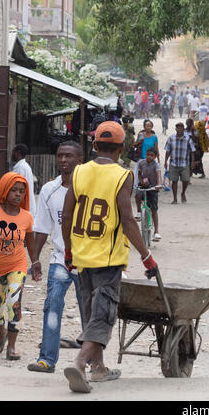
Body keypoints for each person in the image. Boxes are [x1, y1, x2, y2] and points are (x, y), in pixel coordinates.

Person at [61, 121, 160, 393]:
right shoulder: (122, 176)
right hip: (107, 258)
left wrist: (69, 250)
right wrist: (146, 255)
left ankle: (99, 368)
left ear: (94, 146)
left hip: (81, 256)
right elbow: (128, 220)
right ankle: (80, 363)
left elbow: (67, 214)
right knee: (103, 315)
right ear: (122, 148)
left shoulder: (80, 172)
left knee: (91, 312)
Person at [27, 141, 84, 374]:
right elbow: (42, 228)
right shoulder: (50, 190)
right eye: (60, 155)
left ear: (79, 160)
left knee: (88, 311)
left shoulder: (89, 189)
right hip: (60, 259)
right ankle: (47, 360)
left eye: (68, 156)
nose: (63, 160)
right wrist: (35, 259)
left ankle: (91, 360)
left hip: (87, 262)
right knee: (52, 307)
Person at [0, 172, 38, 361]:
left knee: (14, 302)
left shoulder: (26, 217)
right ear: (4, 190)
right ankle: (1, 333)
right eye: (14, 190)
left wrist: (35, 263)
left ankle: (11, 346)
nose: (18, 195)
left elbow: (31, 243)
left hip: (17, 265)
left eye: (22, 191)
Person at [164, 122, 196, 204]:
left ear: (183, 129)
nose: (179, 129)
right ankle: (175, 198)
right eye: (178, 128)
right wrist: (165, 161)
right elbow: (168, 150)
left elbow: (192, 151)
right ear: (176, 129)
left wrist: (192, 162)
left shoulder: (188, 139)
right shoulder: (171, 138)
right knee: (174, 181)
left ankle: (183, 193)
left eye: (181, 128)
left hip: (184, 163)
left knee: (186, 180)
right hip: (173, 163)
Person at [133, 120, 159, 217]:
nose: (148, 127)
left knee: (151, 180)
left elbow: (156, 149)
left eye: (150, 125)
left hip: (151, 161)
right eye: (147, 125)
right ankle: (139, 211)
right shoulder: (141, 135)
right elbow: (134, 145)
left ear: (152, 127)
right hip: (141, 161)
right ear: (144, 126)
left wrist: (158, 161)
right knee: (139, 181)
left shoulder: (154, 137)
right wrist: (140, 141)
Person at [136, 147, 163, 241]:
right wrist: (141, 181)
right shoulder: (141, 163)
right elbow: (139, 173)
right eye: (148, 154)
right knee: (138, 194)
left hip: (153, 187)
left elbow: (158, 175)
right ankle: (139, 212)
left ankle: (156, 232)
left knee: (154, 210)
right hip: (144, 185)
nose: (149, 157)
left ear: (155, 157)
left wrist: (159, 185)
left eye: (152, 155)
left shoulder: (156, 165)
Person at [11, 143, 36, 216]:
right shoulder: (23, 166)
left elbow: (18, 186)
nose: (12, 154)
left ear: (17, 153)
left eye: (13, 151)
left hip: (24, 203)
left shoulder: (21, 167)